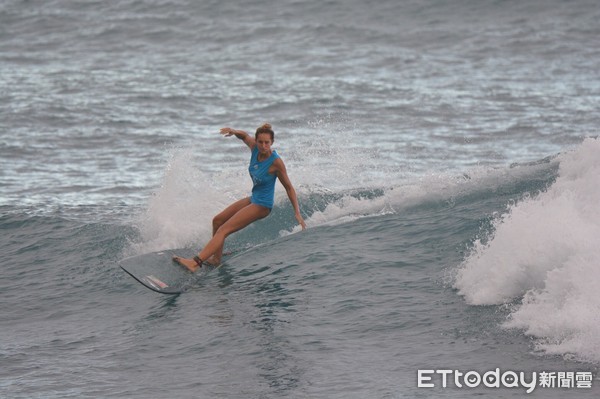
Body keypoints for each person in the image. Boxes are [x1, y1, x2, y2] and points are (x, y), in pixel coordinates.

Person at [173, 123, 306, 272]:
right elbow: (244, 136)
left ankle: (195, 263)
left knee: (224, 230)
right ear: (256, 141)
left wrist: (297, 212)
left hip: (263, 205)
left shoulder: (276, 162)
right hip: (254, 198)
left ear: (272, 143)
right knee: (217, 221)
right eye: (260, 142)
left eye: (266, 142)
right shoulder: (255, 149)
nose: (263, 146)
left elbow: (289, 187)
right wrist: (234, 131)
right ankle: (216, 258)